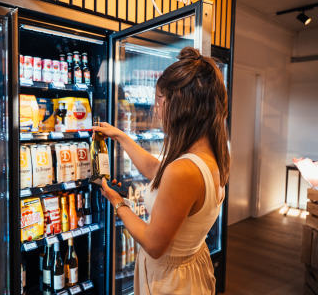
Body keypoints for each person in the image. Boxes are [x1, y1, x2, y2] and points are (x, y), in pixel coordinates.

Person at [94, 46, 230, 294]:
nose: (156, 109)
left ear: (178, 104)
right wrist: (120, 136)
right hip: (192, 267)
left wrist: (117, 202)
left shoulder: (184, 170)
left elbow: (153, 245)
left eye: (159, 100)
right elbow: (155, 169)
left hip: (170, 282)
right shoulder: (211, 154)